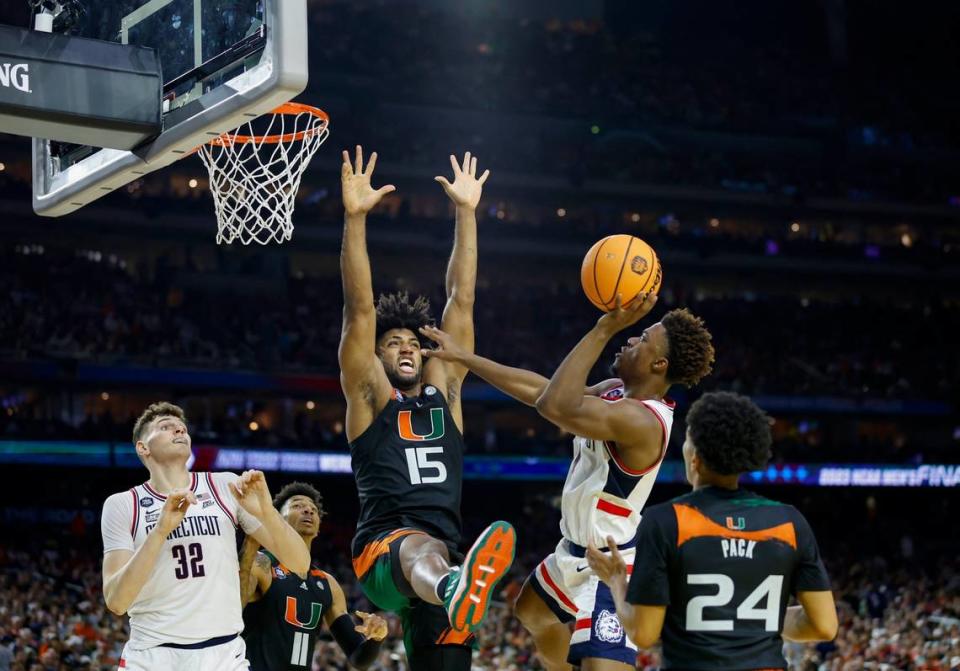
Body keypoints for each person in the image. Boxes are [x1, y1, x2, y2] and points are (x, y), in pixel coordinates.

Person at [420, 293, 715, 670]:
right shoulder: (613, 391)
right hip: (575, 551)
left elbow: (554, 406)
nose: (629, 340)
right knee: (532, 611)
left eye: (641, 339)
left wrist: (603, 328)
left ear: (659, 364)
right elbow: (541, 392)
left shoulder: (642, 421)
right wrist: (465, 357)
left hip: (613, 564)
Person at [338, 146, 516, 670]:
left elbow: (461, 299)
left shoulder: (447, 393)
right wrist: (355, 219)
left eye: (412, 342)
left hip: (443, 560)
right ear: (375, 356)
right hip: (384, 553)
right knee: (422, 550)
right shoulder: (370, 397)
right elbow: (359, 308)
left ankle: (453, 588)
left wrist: (466, 211)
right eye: (392, 343)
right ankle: (454, 586)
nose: (407, 347)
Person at [588, 391, 839, 670]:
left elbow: (643, 634)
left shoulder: (665, 520)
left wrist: (616, 581)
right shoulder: (789, 522)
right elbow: (824, 626)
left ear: (695, 457)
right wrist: (750, 622)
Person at [100, 402, 310, 670]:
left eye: (182, 427)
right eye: (165, 427)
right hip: (153, 655)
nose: (179, 429)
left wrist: (267, 512)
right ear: (143, 447)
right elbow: (117, 602)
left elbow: (300, 564)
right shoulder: (122, 504)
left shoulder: (224, 485)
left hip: (223, 654)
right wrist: (161, 530)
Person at [239, 482, 388, 670]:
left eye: (313, 509)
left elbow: (359, 658)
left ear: (318, 528)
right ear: (278, 519)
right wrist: (251, 541)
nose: (308, 511)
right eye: (297, 505)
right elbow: (232, 608)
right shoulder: (262, 564)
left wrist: (376, 638)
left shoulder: (328, 584)